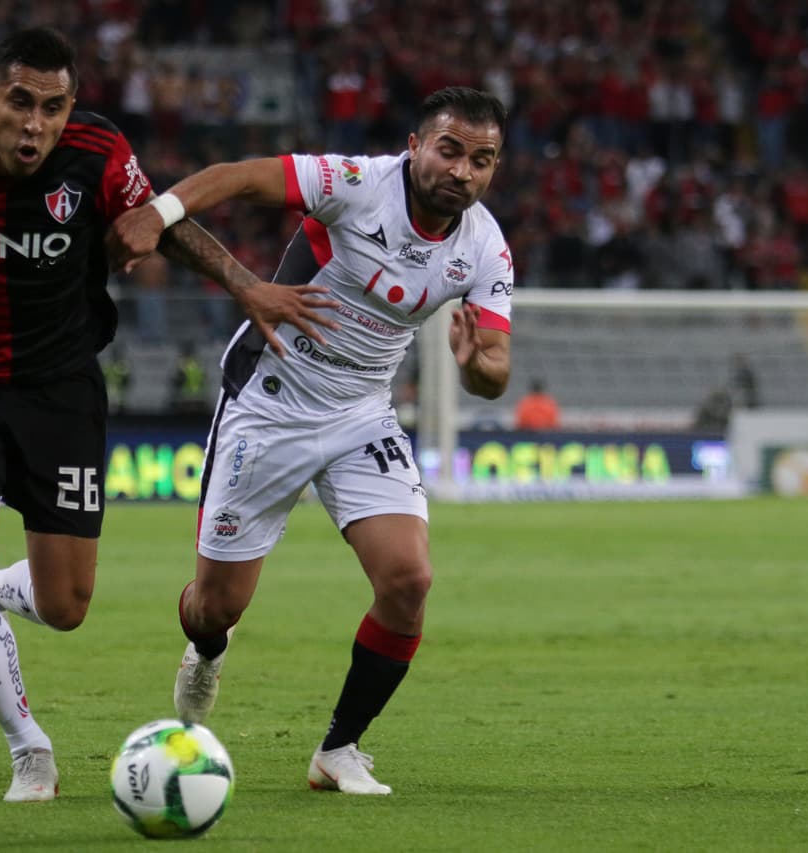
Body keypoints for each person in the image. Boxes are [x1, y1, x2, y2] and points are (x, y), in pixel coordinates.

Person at [0, 28, 335, 803]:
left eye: (54, 107)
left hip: (61, 389)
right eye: (21, 103)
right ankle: (27, 746)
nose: (36, 123)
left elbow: (160, 225)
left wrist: (244, 282)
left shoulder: (98, 153)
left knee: (65, 606)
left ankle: (3, 588)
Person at [108, 86, 513, 796]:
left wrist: (479, 365)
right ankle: (207, 646)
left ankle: (339, 749)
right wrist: (156, 212)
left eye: (482, 160)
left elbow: (494, 374)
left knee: (409, 580)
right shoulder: (357, 185)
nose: (464, 172)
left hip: (363, 412)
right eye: (450, 150)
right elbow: (238, 174)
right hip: (270, 400)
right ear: (415, 146)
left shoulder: (484, 246)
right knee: (216, 606)